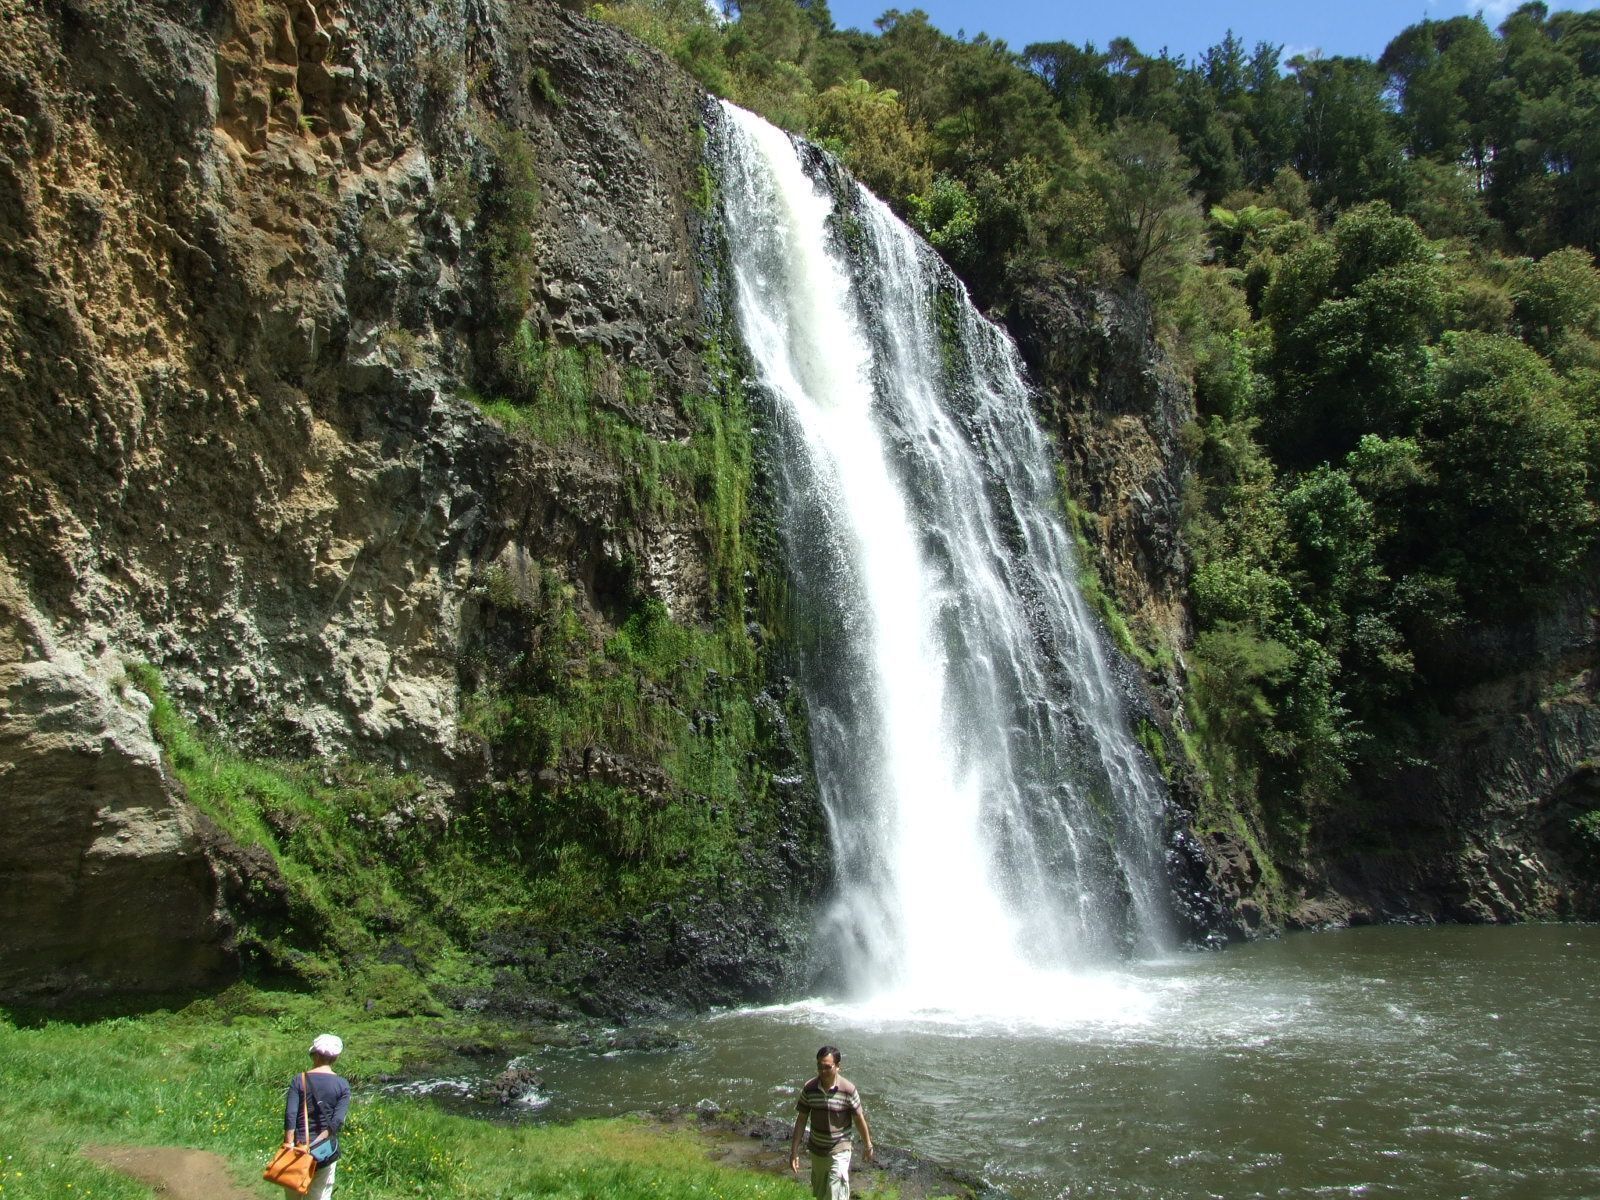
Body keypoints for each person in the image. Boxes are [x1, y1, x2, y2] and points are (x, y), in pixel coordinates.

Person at [789, 1044, 874, 1200]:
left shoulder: (848, 1090)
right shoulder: (810, 1088)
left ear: (838, 1066)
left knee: (835, 1194)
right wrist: (794, 1151)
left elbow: (859, 1119)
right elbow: (801, 1120)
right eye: (819, 1067)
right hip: (817, 1150)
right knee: (821, 1194)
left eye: (827, 1067)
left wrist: (867, 1144)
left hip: (839, 1150)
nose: (823, 1071)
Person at [284, 1033, 351, 1200]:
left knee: (294, 1194)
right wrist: (316, 1144)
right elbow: (337, 1122)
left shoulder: (299, 1080)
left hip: (298, 1148)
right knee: (319, 1195)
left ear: (315, 1055)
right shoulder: (342, 1085)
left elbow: (291, 1115)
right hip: (324, 1151)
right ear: (335, 1058)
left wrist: (288, 1144)